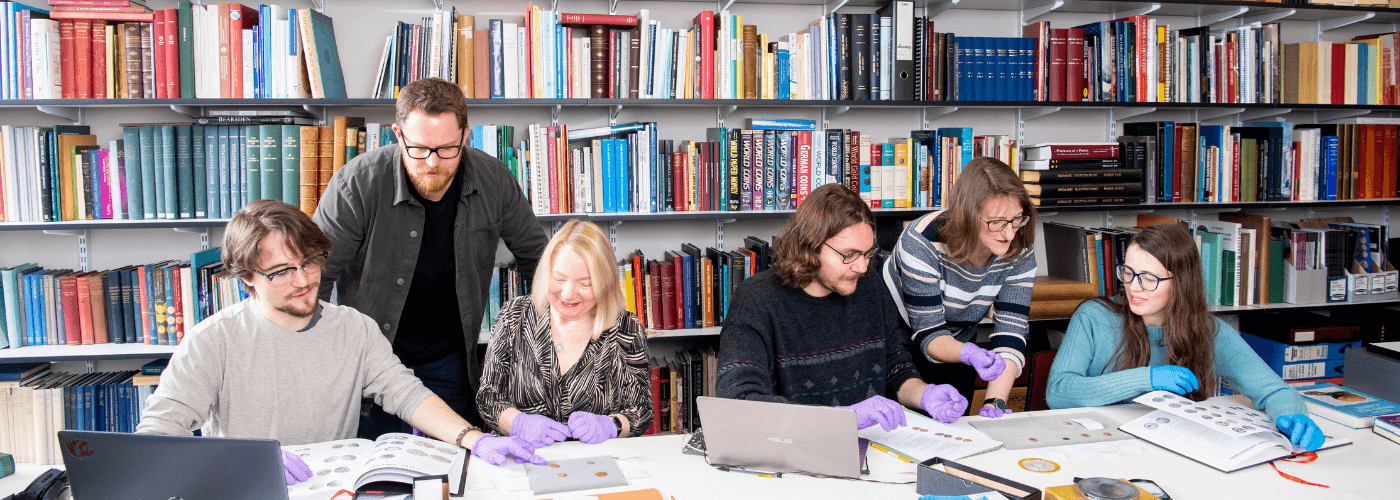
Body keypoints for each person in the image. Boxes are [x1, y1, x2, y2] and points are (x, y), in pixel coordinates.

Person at [136, 200, 546, 486]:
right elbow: (154, 438)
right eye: (280, 271)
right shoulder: (212, 341)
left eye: (309, 262)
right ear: (247, 278)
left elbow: (406, 395)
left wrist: (477, 439)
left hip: (333, 490)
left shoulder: (355, 329)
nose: (303, 281)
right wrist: (242, 463)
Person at [313, 77, 549, 438]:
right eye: (419, 149)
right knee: (378, 480)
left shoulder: (494, 180)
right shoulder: (356, 184)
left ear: (466, 136)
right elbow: (313, 276)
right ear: (397, 134)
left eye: (447, 149)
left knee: (454, 473)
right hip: (372, 364)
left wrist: (542, 338)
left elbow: (538, 258)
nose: (432, 163)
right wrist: (324, 362)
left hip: (450, 362)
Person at [1046, 223, 1324, 451]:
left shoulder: (1208, 330)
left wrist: (1292, 414)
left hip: (1169, 449)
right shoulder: (1094, 316)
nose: (1134, 287)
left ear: (1180, 282)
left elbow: (1274, 390)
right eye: (1128, 273)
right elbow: (1058, 392)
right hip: (1096, 445)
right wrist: (1147, 378)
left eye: (1149, 278)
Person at [716, 184, 969, 430]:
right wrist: (840, 418)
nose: (861, 267)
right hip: (795, 452)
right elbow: (739, 401)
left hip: (871, 448)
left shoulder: (869, 285)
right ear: (811, 245)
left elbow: (895, 368)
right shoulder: (755, 300)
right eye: (849, 255)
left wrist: (925, 394)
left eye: (868, 253)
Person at [882, 157, 1037, 418]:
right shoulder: (922, 241)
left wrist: (994, 403)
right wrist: (969, 354)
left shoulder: (1019, 246)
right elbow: (929, 335)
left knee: (955, 426)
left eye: (1016, 219)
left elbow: (1012, 330)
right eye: (996, 221)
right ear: (967, 214)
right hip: (900, 341)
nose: (1009, 233)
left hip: (961, 340)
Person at [476, 220, 653, 447]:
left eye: (585, 283)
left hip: (598, 465)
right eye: (559, 279)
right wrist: (518, 423)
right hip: (522, 460)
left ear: (605, 283)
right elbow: (488, 397)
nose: (568, 294)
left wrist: (611, 425)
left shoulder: (626, 328)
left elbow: (642, 410)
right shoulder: (514, 317)